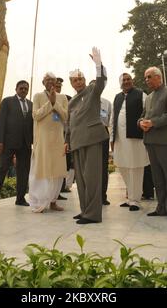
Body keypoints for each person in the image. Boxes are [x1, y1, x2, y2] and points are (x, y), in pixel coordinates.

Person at [66, 47, 108, 224]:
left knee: (92, 178)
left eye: (80, 79)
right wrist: (66, 142)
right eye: (75, 80)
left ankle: (93, 214)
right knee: (81, 180)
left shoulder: (92, 91)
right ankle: (85, 210)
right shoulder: (71, 102)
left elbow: (100, 83)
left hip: (92, 139)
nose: (78, 82)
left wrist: (98, 65)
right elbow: (69, 124)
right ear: (72, 83)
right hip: (76, 142)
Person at [139, 67, 167, 222]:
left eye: (149, 77)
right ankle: (161, 207)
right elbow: (142, 116)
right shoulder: (148, 97)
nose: (147, 80)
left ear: (158, 76)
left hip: (164, 141)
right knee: (157, 178)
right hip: (150, 140)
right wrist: (140, 123)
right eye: (145, 78)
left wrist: (152, 123)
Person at [0, 80, 33, 210]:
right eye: (21, 88)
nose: (23, 90)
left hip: (25, 144)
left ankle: (20, 198)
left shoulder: (31, 104)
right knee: (1, 171)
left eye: (26, 88)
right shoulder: (7, 101)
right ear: (16, 89)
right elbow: (0, 121)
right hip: (8, 143)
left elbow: (32, 125)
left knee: (23, 172)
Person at [29, 72, 68, 213]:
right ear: (43, 82)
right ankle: (40, 202)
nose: (50, 82)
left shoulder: (62, 97)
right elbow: (36, 115)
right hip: (43, 139)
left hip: (57, 139)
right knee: (43, 169)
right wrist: (50, 103)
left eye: (53, 80)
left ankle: (53, 201)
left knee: (56, 170)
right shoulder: (38, 96)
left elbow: (65, 116)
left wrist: (55, 102)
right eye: (47, 80)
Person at [110, 73, 149, 211]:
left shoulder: (141, 94)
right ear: (120, 83)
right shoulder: (117, 97)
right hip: (120, 139)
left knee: (136, 168)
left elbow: (147, 111)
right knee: (123, 167)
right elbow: (113, 118)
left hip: (135, 138)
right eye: (123, 80)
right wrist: (112, 138)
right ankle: (130, 197)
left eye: (128, 79)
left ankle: (135, 200)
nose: (126, 82)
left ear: (132, 81)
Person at [89, 79, 112, 205]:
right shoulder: (84, 102)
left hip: (103, 134)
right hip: (89, 135)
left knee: (103, 167)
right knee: (90, 167)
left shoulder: (107, 103)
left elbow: (109, 121)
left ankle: (103, 196)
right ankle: (91, 197)